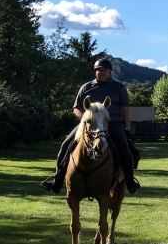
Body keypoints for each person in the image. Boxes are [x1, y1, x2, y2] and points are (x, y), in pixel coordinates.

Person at [40, 59, 140, 194]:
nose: (102, 72)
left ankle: (129, 181)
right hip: (88, 125)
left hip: (113, 124)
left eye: (104, 70)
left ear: (110, 71)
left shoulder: (119, 87)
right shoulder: (86, 87)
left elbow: (125, 109)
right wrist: (87, 120)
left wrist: (127, 128)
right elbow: (76, 108)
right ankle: (56, 181)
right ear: (95, 71)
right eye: (99, 70)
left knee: (125, 150)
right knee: (65, 145)